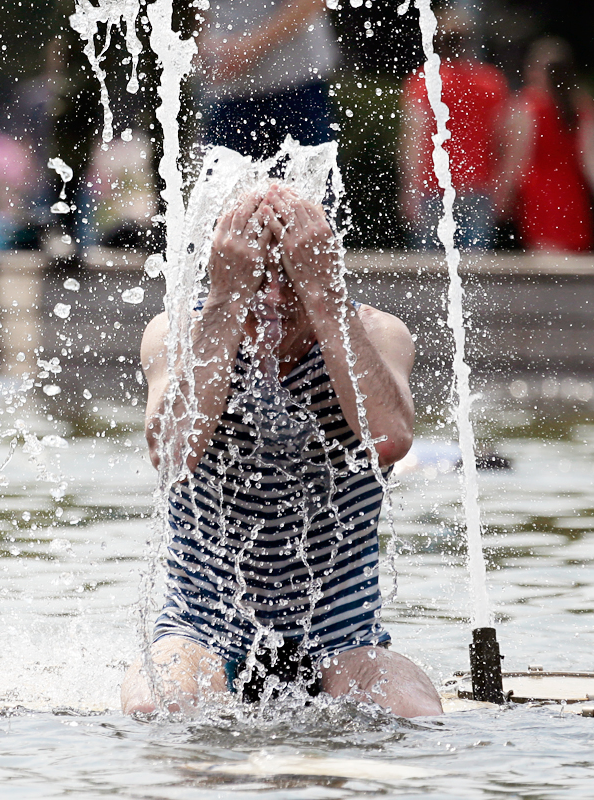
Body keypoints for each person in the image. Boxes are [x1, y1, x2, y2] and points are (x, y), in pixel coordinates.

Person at [122, 186, 443, 718]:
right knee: (163, 707)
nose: (271, 297)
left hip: (341, 634)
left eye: (289, 276)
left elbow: (388, 437)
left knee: (413, 714)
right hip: (203, 625)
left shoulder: (373, 332)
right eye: (255, 275)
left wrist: (325, 297)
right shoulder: (179, 332)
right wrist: (226, 302)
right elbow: (172, 452)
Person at [400, 9, 508, 251]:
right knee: (476, 275)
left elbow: (413, 138)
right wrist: (502, 186)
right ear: (470, 43)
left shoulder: (423, 80)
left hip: (432, 187)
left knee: (428, 274)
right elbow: (502, 140)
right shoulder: (491, 82)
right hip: (478, 186)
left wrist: (409, 188)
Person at [196, 0, 338, 160]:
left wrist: (250, 47)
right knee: (222, 182)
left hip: (295, 87)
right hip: (227, 92)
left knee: (306, 179)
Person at [494, 37, 594, 253]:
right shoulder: (581, 105)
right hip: (572, 196)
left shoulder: (527, 106)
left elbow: (517, 159)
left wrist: (503, 195)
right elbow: (589, 161)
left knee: (544, 269)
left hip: (539, 197)